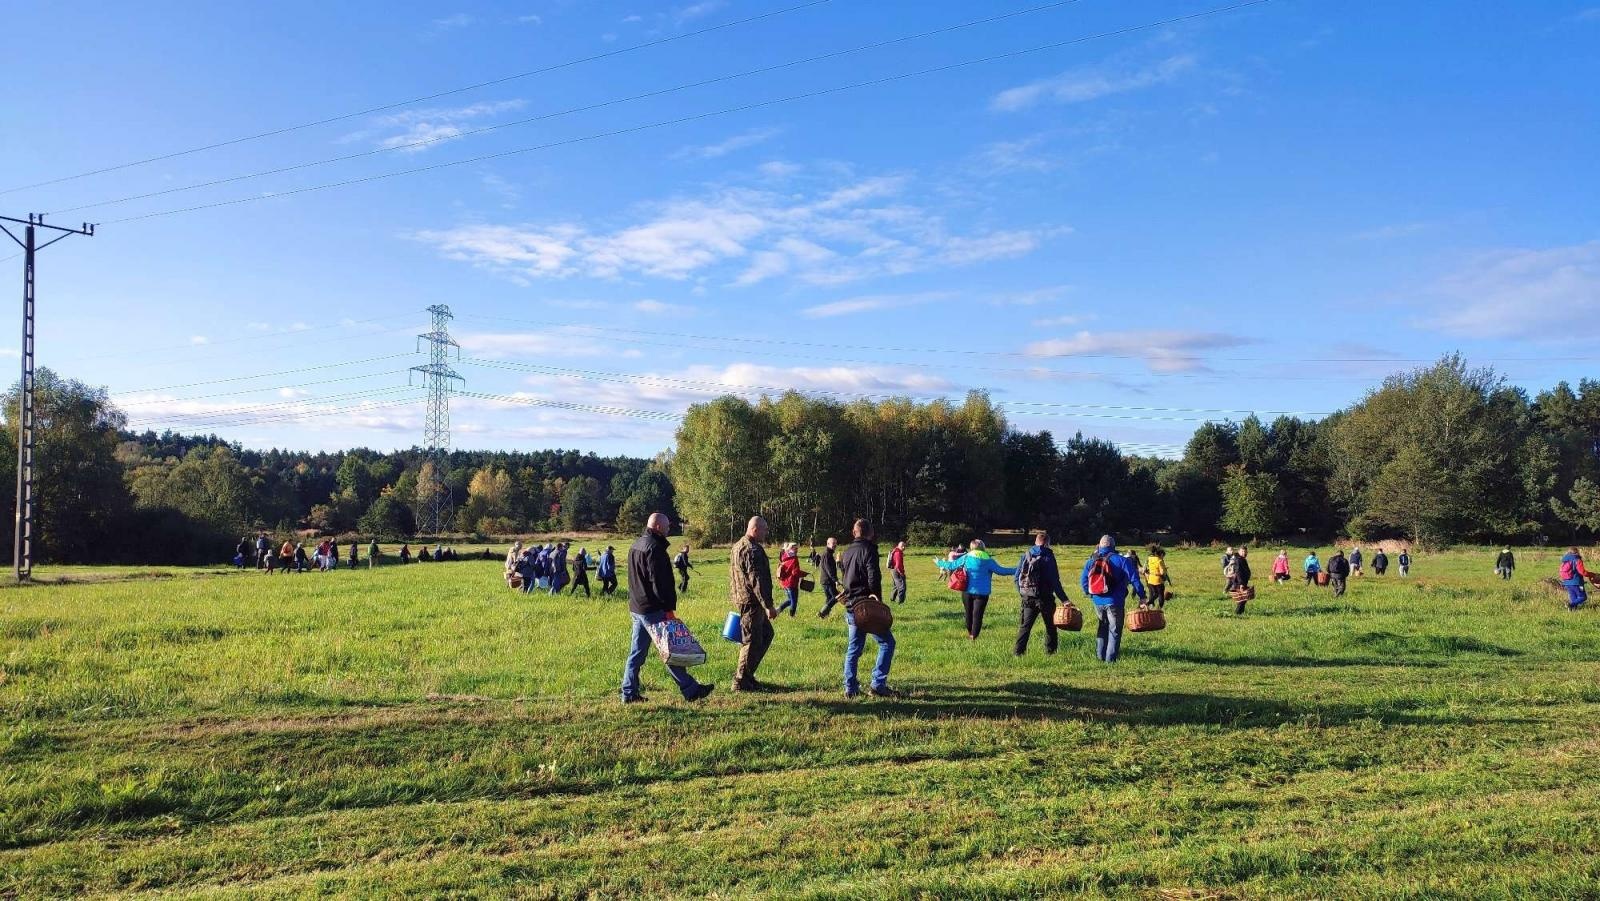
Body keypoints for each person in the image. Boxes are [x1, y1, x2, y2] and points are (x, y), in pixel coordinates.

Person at [621, 513, 713, 703]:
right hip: (653, 608)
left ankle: (628, 693)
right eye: (667, 526)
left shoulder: (636, 545)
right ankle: (691, 689)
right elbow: (660, 583)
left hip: (637, 607)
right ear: (657, 527)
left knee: (636, 653)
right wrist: (668, 608)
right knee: (670, 649)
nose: (669, 529)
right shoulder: (655, 548)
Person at [840, 518, 899, 698]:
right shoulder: (869, 550)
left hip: (851, 605)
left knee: (854, 649)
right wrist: (877, 598)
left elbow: (844, 575)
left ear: (854, 532)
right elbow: (873, 576)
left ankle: (850, 688)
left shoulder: (847, 551)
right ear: (870, 533)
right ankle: (878, 684)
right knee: (887, 643)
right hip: (866, 606)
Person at [729, 516, 779, 692]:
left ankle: (748, 676)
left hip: (742, 598)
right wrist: (768, 605)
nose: (766, 533)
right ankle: (741, 681)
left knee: (765, 634)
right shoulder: (753, 550)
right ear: (755, 529)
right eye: (764, 529)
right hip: (752, 602)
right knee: (751, 642)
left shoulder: (737, 546)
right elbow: (757, 580)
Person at [1081, 535, 1146, 663]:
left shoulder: (1091, 561)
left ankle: (1100, 657)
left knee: (1102, 627)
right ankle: (1110, 661)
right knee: (1115, 630)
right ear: (1113, 546)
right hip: (1115, 601)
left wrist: (1092, 594)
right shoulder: (1122, 561)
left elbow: (1083, 581)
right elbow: (1135, 580)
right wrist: (1142, 596)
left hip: (1097, 601)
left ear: (1099, 546)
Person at [936, 539, 1016, 640]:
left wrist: (938, 562)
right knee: (978, 616)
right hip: (982, 593)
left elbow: (951, 565)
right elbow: (1002, 571)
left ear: (972, 547)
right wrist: (1017, 569)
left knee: (968, 614)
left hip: (967, 591)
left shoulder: (966, 557)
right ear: (983, 547)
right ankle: (974, 636)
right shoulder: (989, 560)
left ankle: (970, 633)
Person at [1014, 531, 1069, 656]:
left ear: (1035, 541)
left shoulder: (1026, 555)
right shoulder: (1048, 556)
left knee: (1025, 627)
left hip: (1028, 597)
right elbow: (1055, 581)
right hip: (1046, 598)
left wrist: (1023, 593)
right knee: (1050, 627)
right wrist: (1064, 599)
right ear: (1047, 543)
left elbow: (1016, 577)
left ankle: (1018, 653)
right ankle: (1051, 653)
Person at [777, 542, 805, 616]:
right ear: (791, 549)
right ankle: (792, 616)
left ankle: (778, 610)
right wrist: (803, 574)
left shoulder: (784, 556)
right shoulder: (794, 558)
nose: (797, 550)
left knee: (790, 600)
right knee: (794, 601)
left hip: (785, 583)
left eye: (797, 548)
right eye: (795, 548)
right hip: (792, 583)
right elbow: (795, 572)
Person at [816, 537, 841, 618]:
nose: (835, 545)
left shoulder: (828, 553)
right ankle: (822, 612)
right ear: (828, 544)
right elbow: (829, 569)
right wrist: (835, 580)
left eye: (835, 543)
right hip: (828, 581)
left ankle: (824, 615)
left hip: (825, 580)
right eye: (833, 543)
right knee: (836, 596)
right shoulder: (827, 554)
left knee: (829, 598)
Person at [1559, 547, 1590, 611]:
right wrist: (1592, 575)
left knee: (1574, 598)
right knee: (1583, 597)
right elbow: (1582, 572)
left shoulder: (1565, 560)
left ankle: (1572, 611)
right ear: (1577, 552)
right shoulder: (1577, 559)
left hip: (1567, 582)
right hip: (1576, 582)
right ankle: (1570, 605)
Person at [1232, 547, 1253, 614]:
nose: (1244, 553)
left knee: (1244, 598)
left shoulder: (1242, 559)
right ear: (1239, 551)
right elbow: (1238, 572)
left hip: (1243, 581)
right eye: (1242, 551)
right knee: (1242, 599)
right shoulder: (1238, 560)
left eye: (1245, 551)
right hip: (1239, 582)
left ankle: (1241, 613)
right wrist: (1241, 584)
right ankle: (1237, 613)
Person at [888, 540, 908, 605]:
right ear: (899, 546)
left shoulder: (895, 551)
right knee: (902, 587)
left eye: (904, 546)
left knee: (896, 586)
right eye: (902, 546)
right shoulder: (898, 553)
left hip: (893, 570)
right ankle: (900, 602)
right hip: (897, 571)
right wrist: (901, 573)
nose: (904, 547)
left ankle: (892, 598)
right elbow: (898, 565)